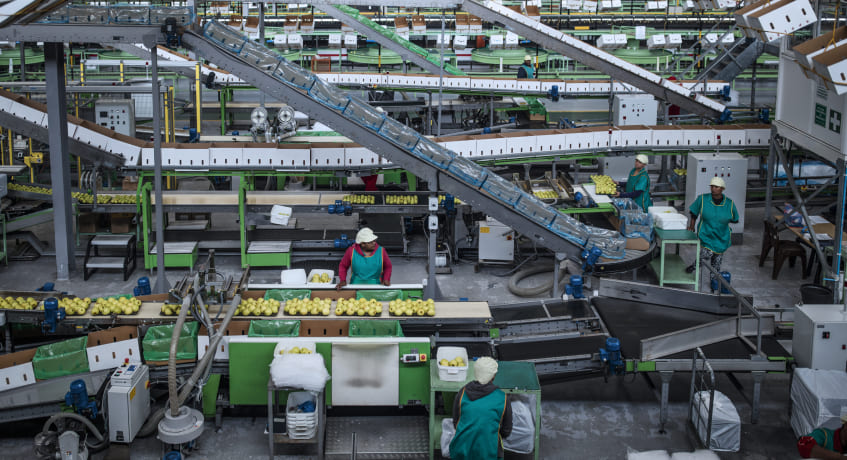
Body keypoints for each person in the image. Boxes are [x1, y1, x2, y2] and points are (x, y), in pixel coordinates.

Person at [450, 357, 513, 460]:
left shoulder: (462, 393)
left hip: (460, 451)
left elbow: (456, 423)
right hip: (488, 454)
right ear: (493, 376)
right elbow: (506, 430)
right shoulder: (502, 398)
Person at [685, 177, 739, 291]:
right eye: (712, 186)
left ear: (722, 189)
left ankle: (714, 284)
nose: (713, 189)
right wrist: (692, 226)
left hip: (721, 236)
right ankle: (695, 266)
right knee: (707, 254)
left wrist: (721, 221)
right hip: (706, 234)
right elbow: (693, 212)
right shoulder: (703, 199)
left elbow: (735, 219)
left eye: (716, 187)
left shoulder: (729, 203)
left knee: (717, 262)